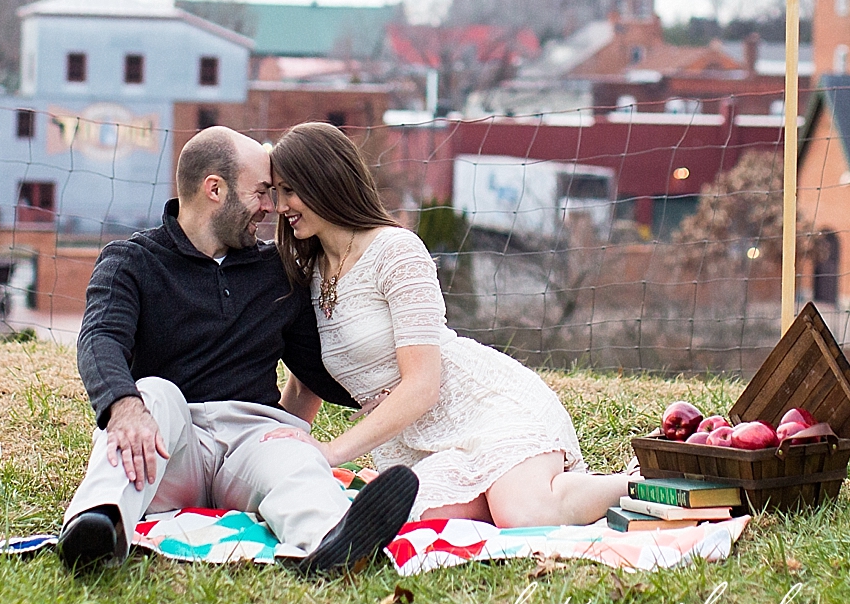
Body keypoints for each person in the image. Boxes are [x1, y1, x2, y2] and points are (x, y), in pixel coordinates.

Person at [58, 125, 419, 577]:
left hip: (250, 442)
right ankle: (97, 527)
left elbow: (319, 364)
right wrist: (123, 406)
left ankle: (330, 543)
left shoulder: (276, 270)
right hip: (172, 444)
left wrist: (386, 390)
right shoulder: (132, 261)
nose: (271, 207)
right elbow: (100, 337)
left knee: (294, 451)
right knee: (151, 394)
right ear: (215, 189)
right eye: (261, 192)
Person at [263, 121, 631, 527]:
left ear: (324, 180)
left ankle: (638, 484)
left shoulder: (395, 252)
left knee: (523, 514)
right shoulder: (307, 271)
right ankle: (514, 489)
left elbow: (422, 386)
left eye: (290, 191)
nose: (280, 206)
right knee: (414, 516)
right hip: (418, 446)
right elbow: (304, 383)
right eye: (276, 192)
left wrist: (331, 452)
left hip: (482, 410)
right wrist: (274, 451)